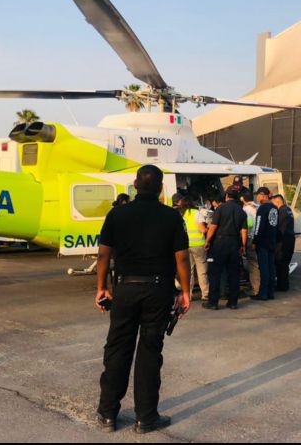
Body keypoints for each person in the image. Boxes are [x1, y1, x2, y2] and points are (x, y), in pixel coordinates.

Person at [94, 165, 191, 434]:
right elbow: (182, 258)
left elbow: (103, 254)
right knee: (149, 353)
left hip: (125, 289)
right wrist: (185, 291)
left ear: (135, 185)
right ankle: (145, 418)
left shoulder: (117, 214)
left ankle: (107, 413)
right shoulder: (171, 217)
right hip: (157, 291)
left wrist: (101, 287)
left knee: (117, 349)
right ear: (160, 188)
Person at [204, 186, 248, 310]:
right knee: (234, 274)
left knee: (215, 273)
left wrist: (207, 241)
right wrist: (243, 245)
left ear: (226, 196)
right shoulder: (241, 211)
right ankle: (233, 302)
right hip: (234, 243)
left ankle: (213, 302)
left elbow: (213, 227)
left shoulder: (220, 208)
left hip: (220, 243)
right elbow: (244, 231)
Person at [177, 196, 210, 301]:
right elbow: (202, 230)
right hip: (198, 245)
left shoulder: (181, 215)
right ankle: (205, 294)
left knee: (188, 271)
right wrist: (208, 228)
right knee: (201, 270)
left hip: (185, 246)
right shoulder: (197, 213)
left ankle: (189, 294)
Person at [252, 187, 278, 301]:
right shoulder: (274, 208)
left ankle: (263, 293)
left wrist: (255, 240)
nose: (257, 197)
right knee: (271, 267)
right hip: (272, 241)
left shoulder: (262, 208)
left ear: (262, 195)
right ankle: (270, 292)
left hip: (263, 242)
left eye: (258, 195)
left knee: (264, 268)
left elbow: (259, 226)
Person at [272, 194, 295, 292]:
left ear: (277, 202)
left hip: (283, 241)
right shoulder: (288, 210)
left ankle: (282, 286)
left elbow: (279, 228)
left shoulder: (281, 212)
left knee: (280, 263)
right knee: (285, 263)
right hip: (290, 239)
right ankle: (284, 284)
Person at [241, 191, 261, 298]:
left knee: (253, 265)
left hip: (250, 238)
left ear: (243, 199)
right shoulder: (258, 207)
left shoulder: (246, 209)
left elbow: (248, 224)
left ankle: (256, 289)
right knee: (259, 263)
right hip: (259, 238)